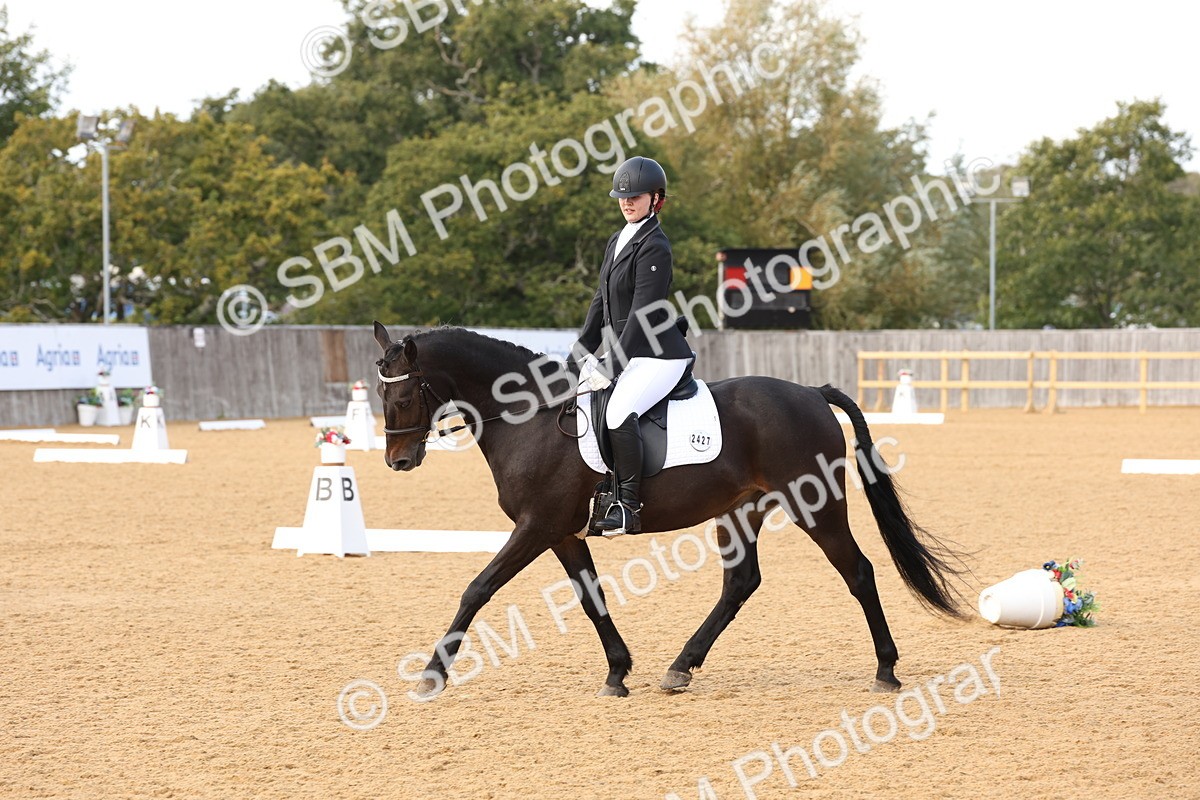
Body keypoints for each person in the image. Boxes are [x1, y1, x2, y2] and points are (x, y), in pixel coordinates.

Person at [573, 156, 693, 536]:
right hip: (629, 350)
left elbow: (642, 313)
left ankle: (627, 506)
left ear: (656, 199)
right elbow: (600, 302)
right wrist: (579, 354)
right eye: (622, 196)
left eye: (635, 197)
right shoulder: (617, 239)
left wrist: (612, 365)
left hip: (659, 354)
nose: (627, 202)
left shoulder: (655, 245)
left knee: (618, 410)